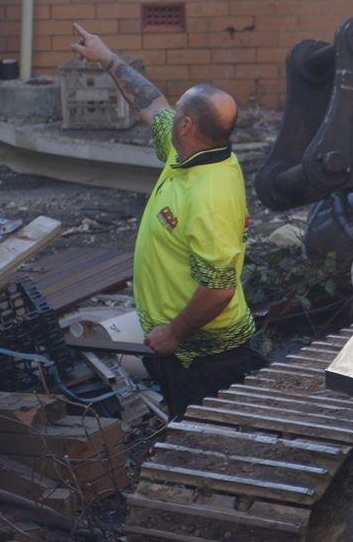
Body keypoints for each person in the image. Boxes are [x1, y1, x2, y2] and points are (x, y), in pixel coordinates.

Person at [71, 23, 256, 418]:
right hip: (183, 347)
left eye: (179, 113)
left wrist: (172, 334)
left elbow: (219, 289)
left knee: (208, 442)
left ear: (187, 126)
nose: (170, 115)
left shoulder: (208, 195)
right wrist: (107, 58)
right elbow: (151, 103)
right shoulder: (189, 153)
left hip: (207, 356)